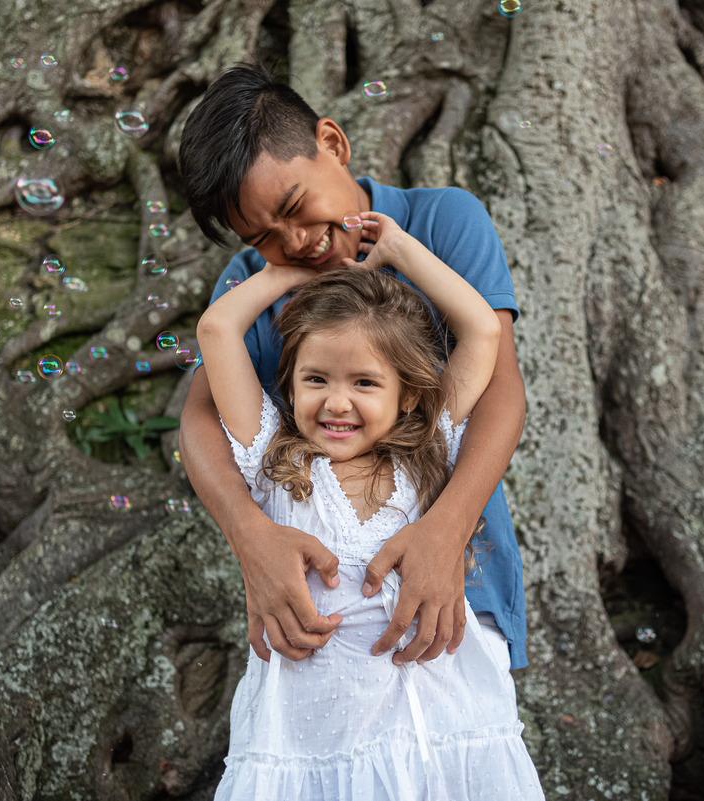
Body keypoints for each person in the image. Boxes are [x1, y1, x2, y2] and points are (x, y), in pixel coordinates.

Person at [177, 63, 529, 678]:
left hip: (458, 581)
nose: (297, 240)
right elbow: (202, 420)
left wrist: (446, 532)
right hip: (327, 620)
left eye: (294, 206)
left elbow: (499, 389)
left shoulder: (442, 223)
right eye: (262, 236)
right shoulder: (250, 287)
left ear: (333, 145)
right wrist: (249, 539)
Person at [196, 213, 544, 797]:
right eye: (315, 380)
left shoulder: (431, 444)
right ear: (289, 386)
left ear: (408, 393)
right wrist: (286, 271)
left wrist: (403, 252)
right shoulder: (272, 457)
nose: (336, 402)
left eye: (364, 383)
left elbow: (483, 330)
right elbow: (216, 329)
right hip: (312, 737)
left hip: (440, 723)